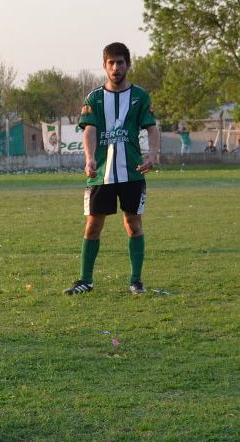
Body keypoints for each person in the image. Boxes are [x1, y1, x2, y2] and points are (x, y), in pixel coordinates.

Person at [64, 42, 159, 296]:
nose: (115, 67)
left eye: (120, 62)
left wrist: (152, 154)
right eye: (111, 63)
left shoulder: (140, 96)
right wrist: (89, 159)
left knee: (133, 223)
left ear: (127, 64)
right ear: (104, 66)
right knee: (93, 226)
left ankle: (136, 280)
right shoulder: (94, 98)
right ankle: (85, 280)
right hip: (101, 174)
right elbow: (90, 131)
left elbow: (152, 127)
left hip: (132, 171)